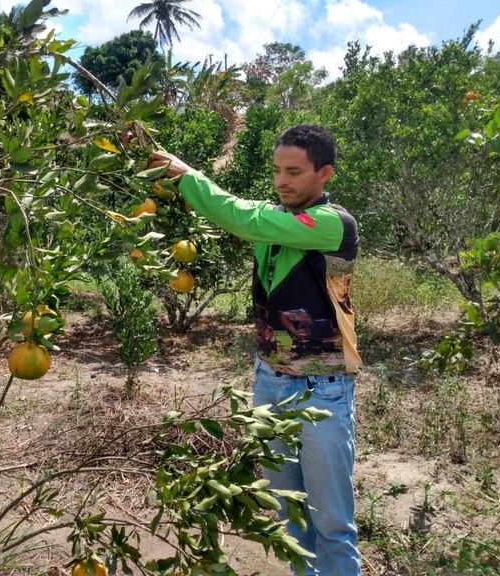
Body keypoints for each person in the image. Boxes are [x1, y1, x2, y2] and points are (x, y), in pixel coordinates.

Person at [148, 123, 362, 575]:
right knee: (287, 510)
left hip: (321, 390)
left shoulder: (332, 224)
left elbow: (244, 218)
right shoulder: (277, 218)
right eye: (277, 171)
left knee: (332, 523)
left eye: (294, 172)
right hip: (270, 381)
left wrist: (189, 177)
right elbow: (248, 217)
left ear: (324, 174)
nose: (282, 181)